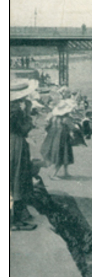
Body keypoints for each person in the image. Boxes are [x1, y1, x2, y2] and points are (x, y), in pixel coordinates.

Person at [10, 79, 39, 231]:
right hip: (15, 144)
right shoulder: (14, 111)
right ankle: (13, 222)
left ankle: (16, 218)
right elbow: (23, 129)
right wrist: (28, 116)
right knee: (16, 179)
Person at [41, 99, 77, 180]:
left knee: (58, 153)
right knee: (62, 154)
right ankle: (53, 174)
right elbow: (72, 127)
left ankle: (66, 172)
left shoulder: (53, 117)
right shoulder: (66, 118)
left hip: (52, 136)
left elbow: (47, 127)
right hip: (62, 137)